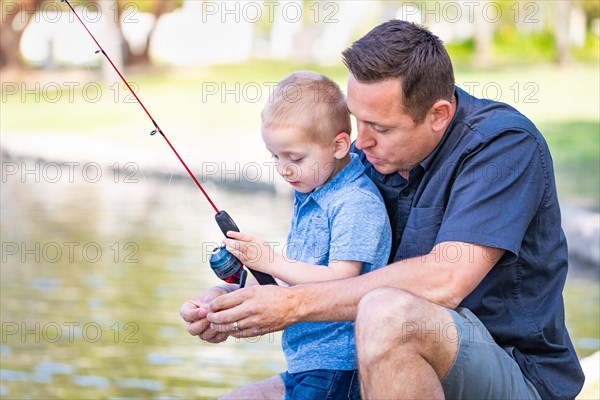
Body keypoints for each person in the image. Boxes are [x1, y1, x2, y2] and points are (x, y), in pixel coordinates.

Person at [181, 20, 585, 399]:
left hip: (514, 373)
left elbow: (446, 279)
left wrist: (290, 306)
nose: (361, 142)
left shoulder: (503, 147)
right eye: (358, 121)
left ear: (438, 115)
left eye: (382, 128)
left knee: (386, 311)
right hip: (370, 364)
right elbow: (328, 274)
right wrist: (236, 303)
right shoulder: (369, 162)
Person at [196, 71, 391, 399]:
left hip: (338, 365)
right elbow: (294, 281)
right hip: (305, 361)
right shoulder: (312, 192)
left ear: (339, 145)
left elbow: (342, 280)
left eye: (295, 158)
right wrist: (223, 303)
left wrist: (271, 261)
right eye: (275, 156)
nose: (283, 169)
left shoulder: (354, 201)